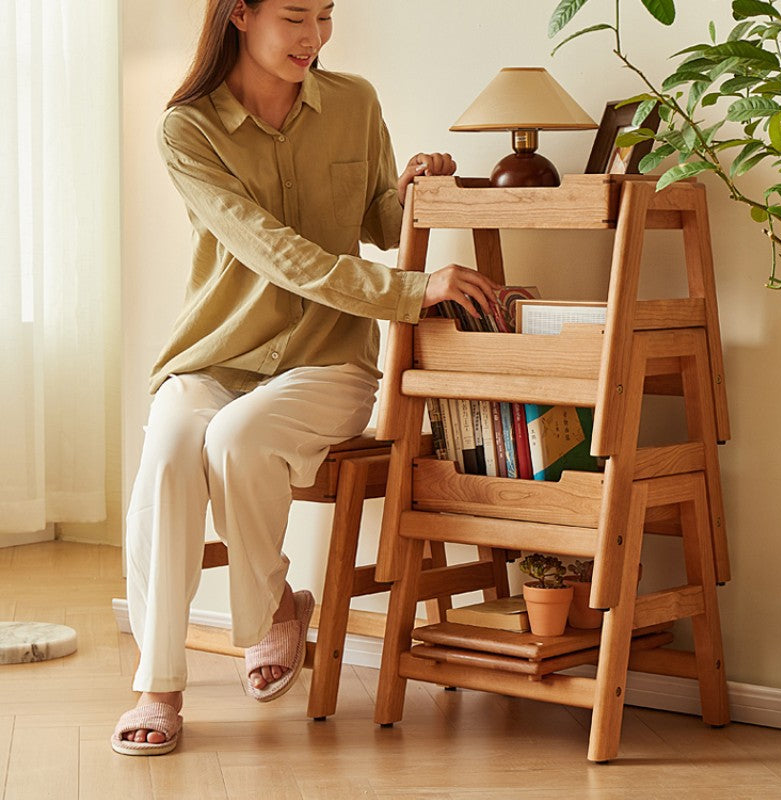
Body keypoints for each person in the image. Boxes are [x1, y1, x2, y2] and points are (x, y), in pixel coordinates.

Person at [111, 0, 498, 756]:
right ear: (240, 14)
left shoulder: (354, 103)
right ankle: (160, 685)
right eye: (294, 16)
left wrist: (410, 188)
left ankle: (269, 615)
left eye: (325, 15)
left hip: (329, 360)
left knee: (239, 438)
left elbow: (379, 222)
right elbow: (274, 251)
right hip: (215, 355)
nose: (313, 37)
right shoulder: (187, 128)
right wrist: (414, 291)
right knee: (168, 456)